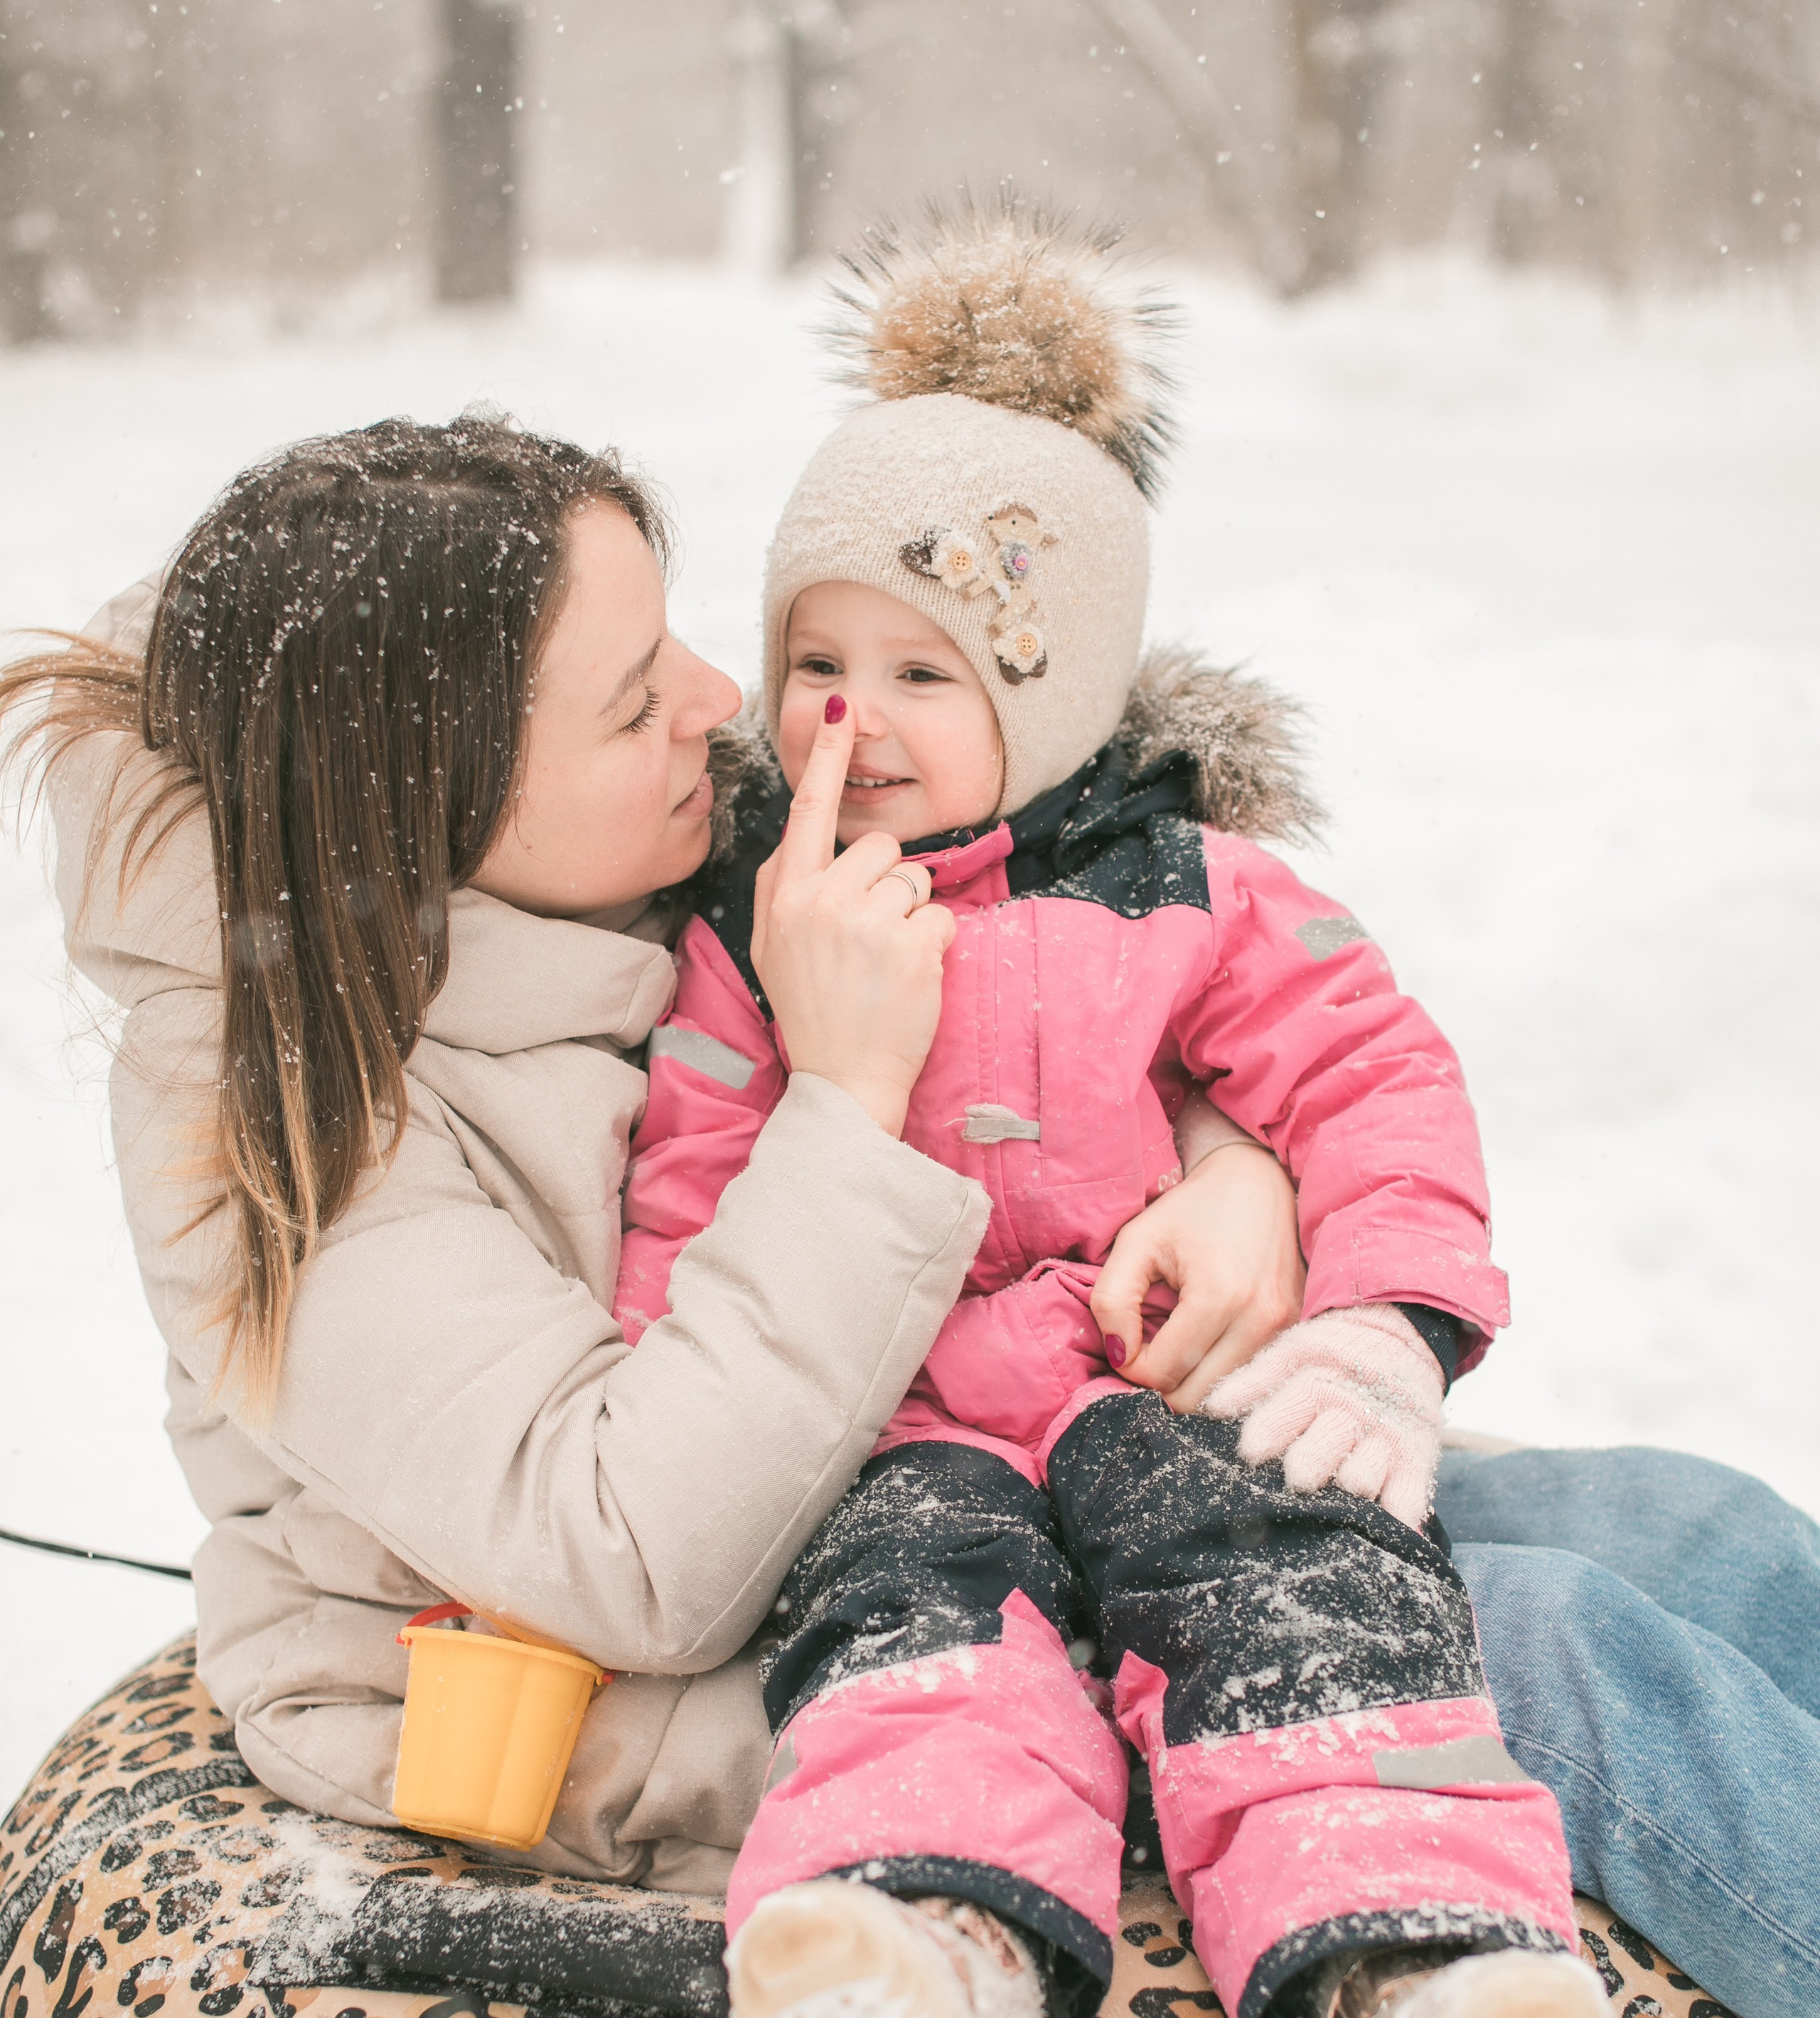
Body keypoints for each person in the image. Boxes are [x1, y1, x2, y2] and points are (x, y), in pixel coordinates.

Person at [612, 207, 1624, 2018]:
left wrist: (1384, 1329)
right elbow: (689, 1213)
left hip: (1170, 1382)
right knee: (917, 1657)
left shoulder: (1191, 890)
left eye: (926, 673)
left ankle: (1430, 2004)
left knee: (1308, 1600)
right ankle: (935, 1982)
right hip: (899, 1435)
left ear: (1053, 695)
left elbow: (1369, 1078)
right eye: (816, 664)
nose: (853, 725)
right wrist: (692, 1445)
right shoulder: (749, 929)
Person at [0, 410, 1299, 1902]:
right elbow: (629, 1563)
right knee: (1462, 1659)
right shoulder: (268, 1123)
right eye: (631, 705)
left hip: (951, 1491)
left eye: (673, 638)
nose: (718, 696)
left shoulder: (642, 853)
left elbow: (1075, 991)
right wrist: (846, 1098)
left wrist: (1231, 1161)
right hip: (582, 1711)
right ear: (430, 803)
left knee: (1561, 1538)